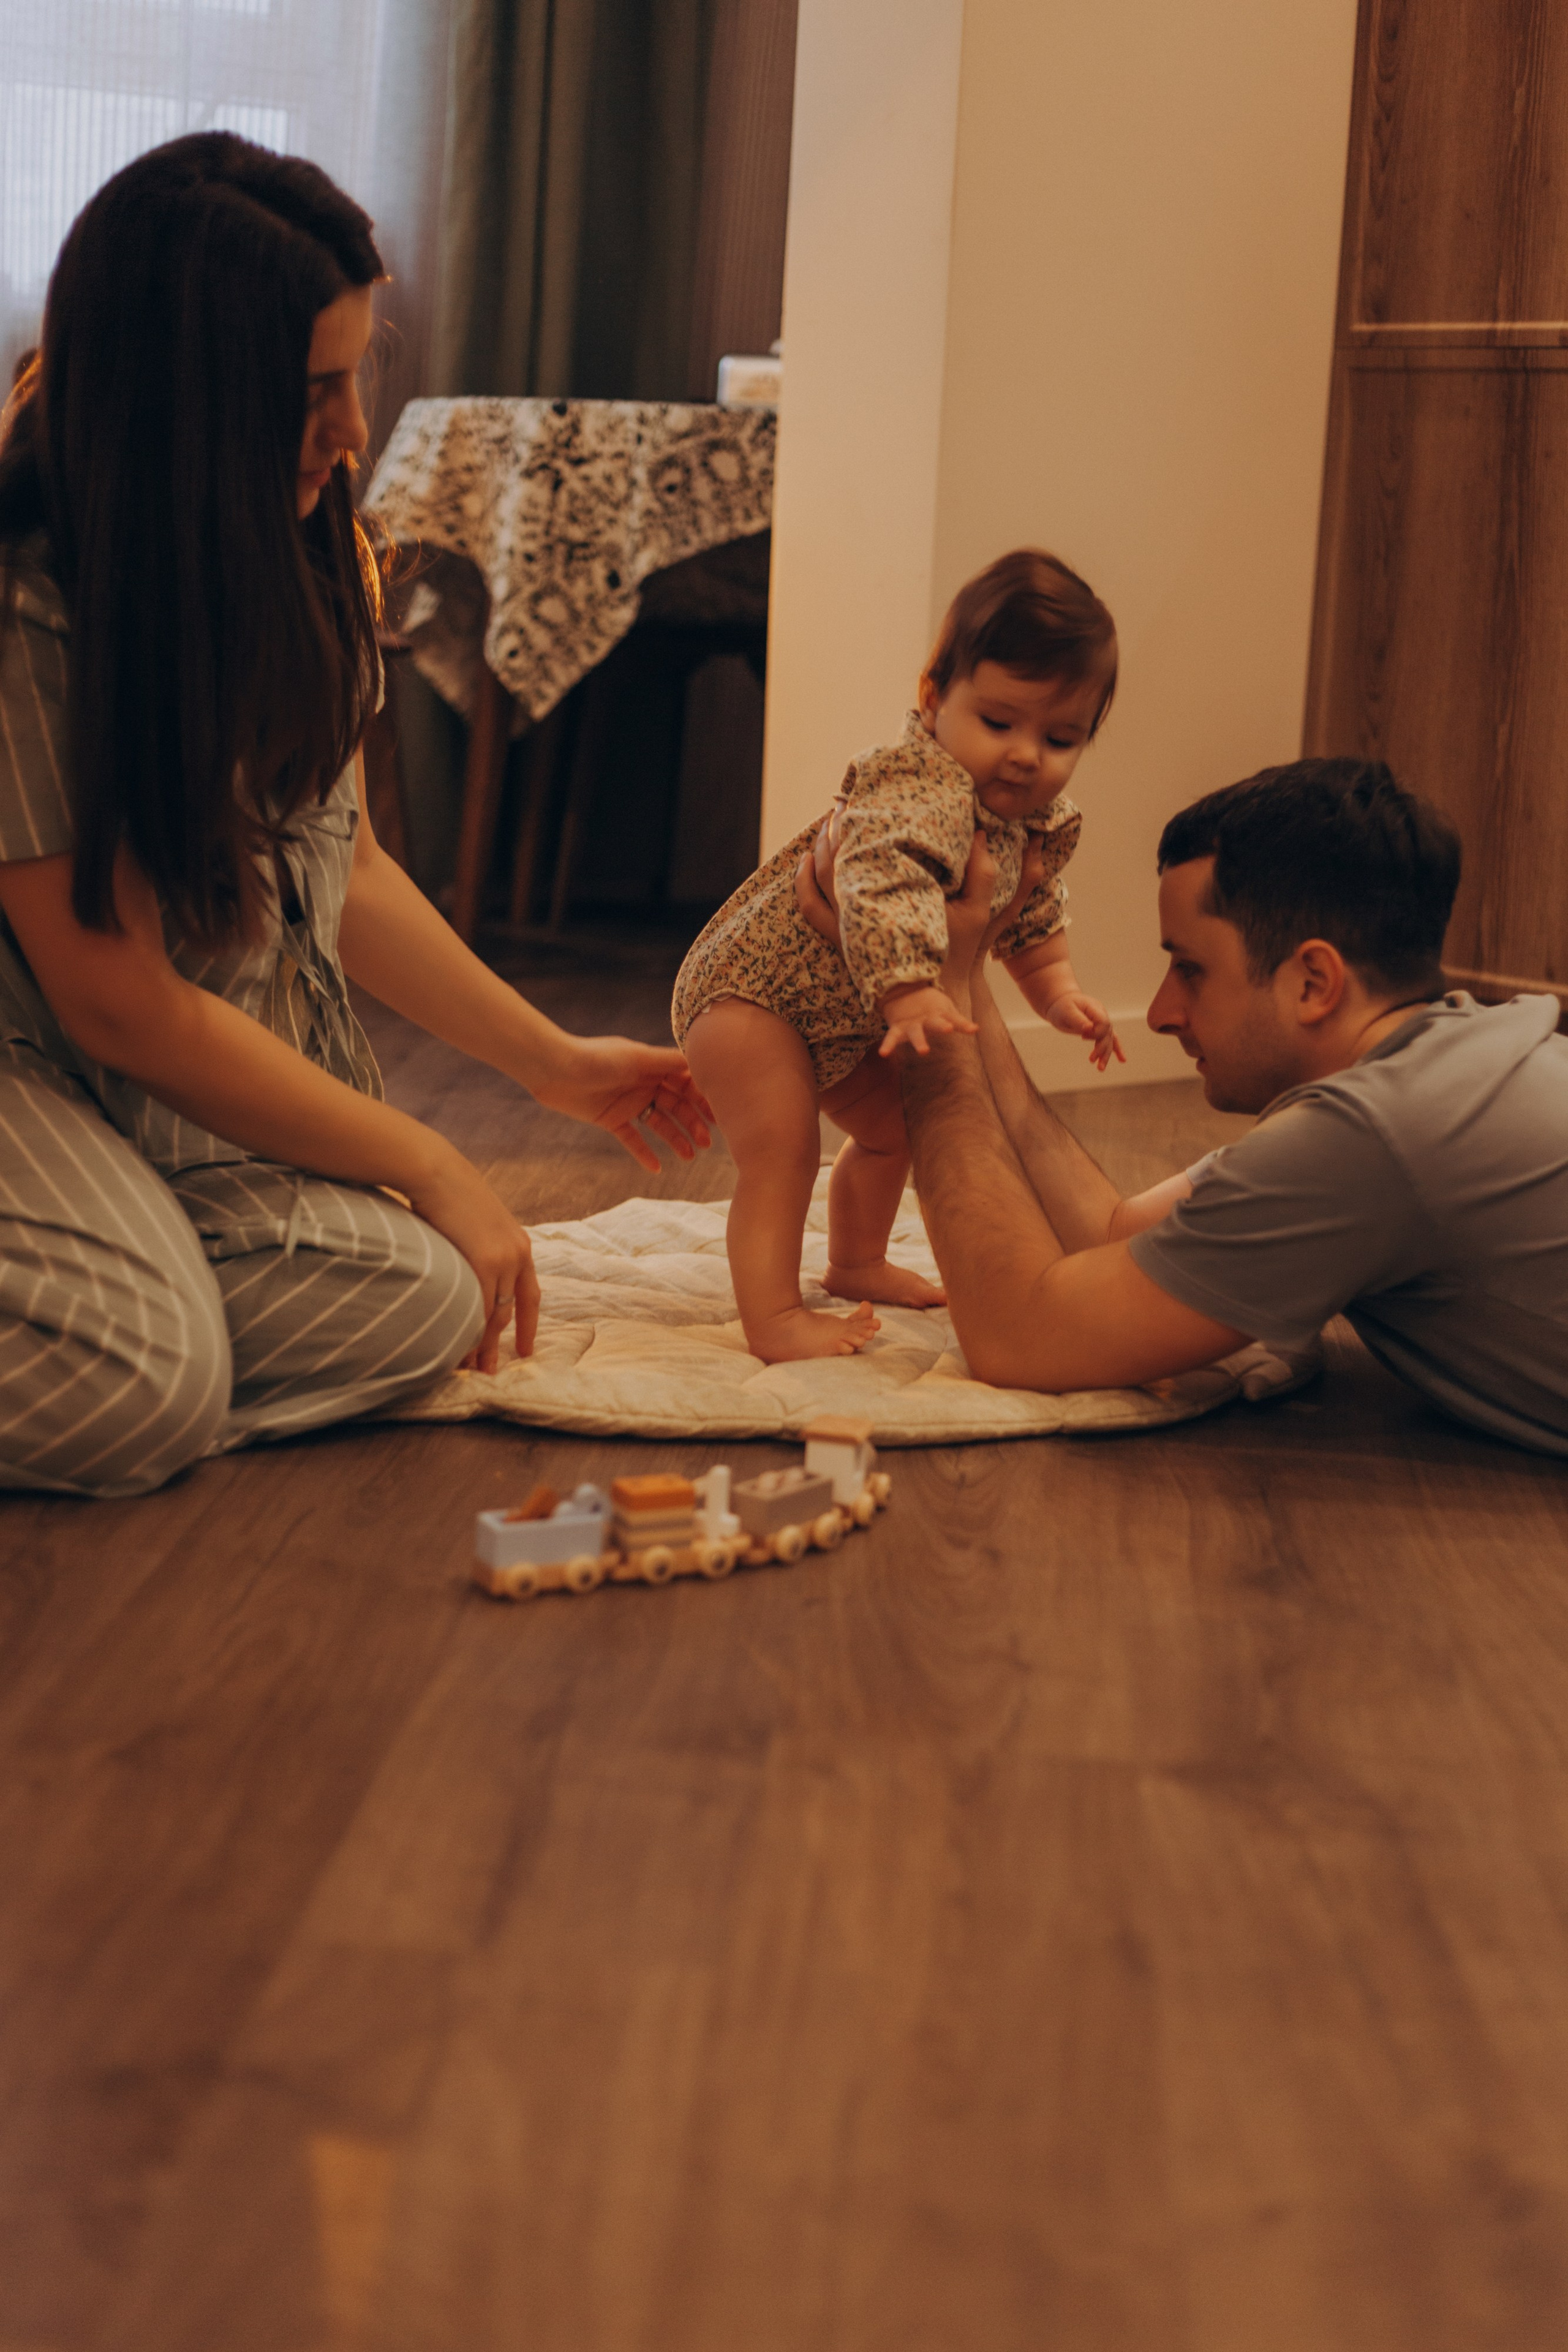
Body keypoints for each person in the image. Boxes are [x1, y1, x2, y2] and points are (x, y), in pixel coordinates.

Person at [0, 134, 710, 1499]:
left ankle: (127, 1278)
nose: (350, 429)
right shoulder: (29, 600)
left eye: (354, 374)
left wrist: (555, 1065)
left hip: (140, 1096)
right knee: (144, 1389)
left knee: (428, 1299)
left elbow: (351, 866)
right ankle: (133, 1312)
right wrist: (427, 1155)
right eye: (309, 390)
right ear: (186, 398)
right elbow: (120, 1008)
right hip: (35, 1060)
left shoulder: (305, 535)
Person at [854, 755, 1568, 1455]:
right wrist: (959, 970)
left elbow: (1019, 1338)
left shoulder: (1373, 1136)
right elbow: (1112, 1234)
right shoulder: (1445, 1065)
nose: (1160, 1013)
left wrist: (922, 1026)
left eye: (1190, 969)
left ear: (1314, 982)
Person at [671, 548, 1121, 1364]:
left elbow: (1028, 913)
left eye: (1061, 738)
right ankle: (774, 1318)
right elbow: (874, 883)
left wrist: (1058, 992)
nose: (1026, 755)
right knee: (783, 1153)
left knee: (896, 1132)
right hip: (752, 999)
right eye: (999, 723)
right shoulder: (913, 788)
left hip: (842, 1015)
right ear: (933, 697)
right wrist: (911, 991)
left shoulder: (1029, 820)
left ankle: (855, 1262)